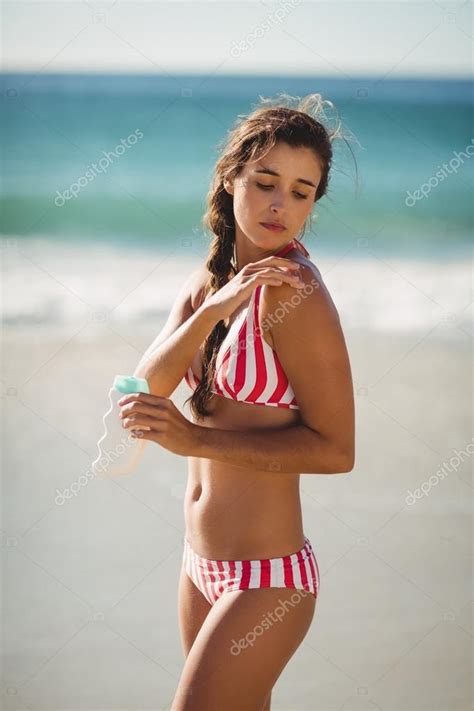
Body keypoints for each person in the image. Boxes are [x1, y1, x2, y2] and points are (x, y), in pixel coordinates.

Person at [118, 93, 355, 710]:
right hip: (200, 565)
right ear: (231, 179)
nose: (281, 204)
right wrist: (218, 307)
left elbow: (337, 451)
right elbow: (144, 389)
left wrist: (193, 439)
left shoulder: (294, 293)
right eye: (267, 182)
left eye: (302, 192)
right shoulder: (210, 280)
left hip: (268, 578)